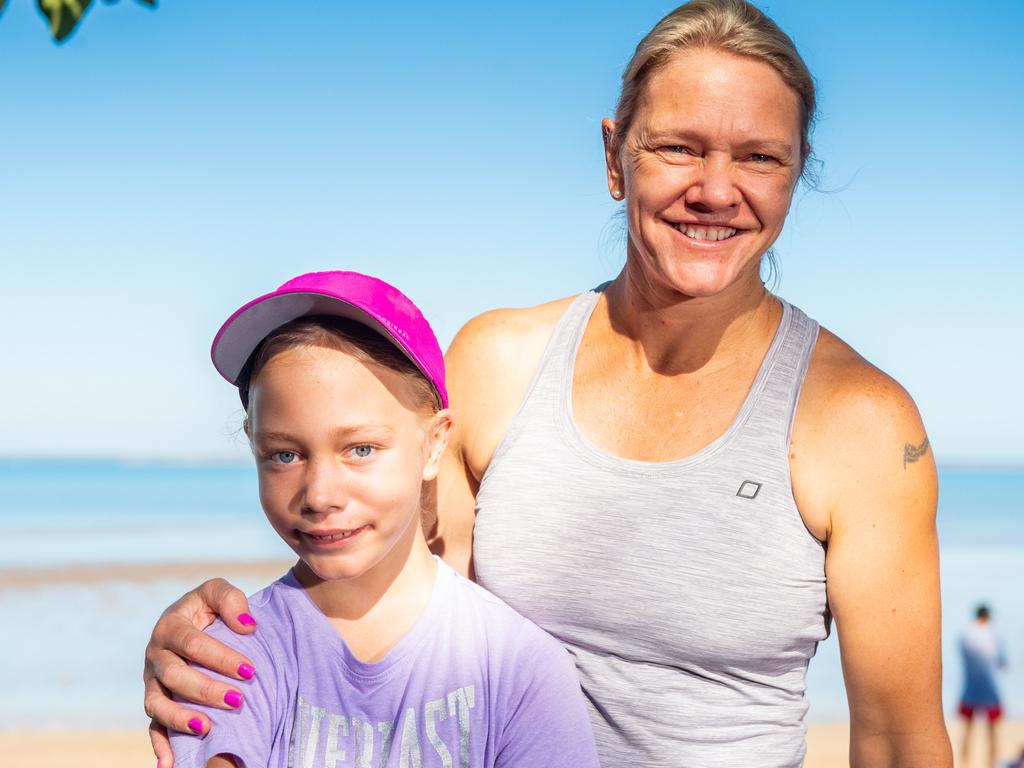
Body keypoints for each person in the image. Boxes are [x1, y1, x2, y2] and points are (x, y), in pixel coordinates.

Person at [143, 2, 952, 766]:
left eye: (759, 156)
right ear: (613, 158)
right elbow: (387, 606)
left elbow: (897, 741)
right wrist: (219, 640)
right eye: (678, 147)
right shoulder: (498, 365)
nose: (714, 188)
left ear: (794, 171)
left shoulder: (863, 425)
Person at [165, 270, 599, 768]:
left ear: (435, 443)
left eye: (361, 449)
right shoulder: (232, 656)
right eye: (285, 455)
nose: (320, 495)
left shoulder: (519, 667)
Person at [959, 604, 1008, 768]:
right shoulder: (991, 635)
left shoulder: (966, 635)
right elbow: (1000, 662)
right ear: (988, 617)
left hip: (970, 687)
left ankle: (964, 763)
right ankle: (991, 764)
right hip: (988, 688)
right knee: (992, 730)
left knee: (967, 730)